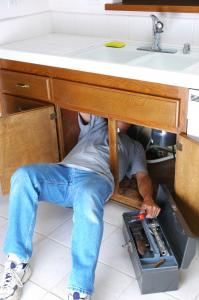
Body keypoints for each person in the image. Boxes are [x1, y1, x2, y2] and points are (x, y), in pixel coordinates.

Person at [0, 113, 160, 300]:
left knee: (87, 196)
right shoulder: (97, 123)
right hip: (63, 173)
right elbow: (84, 105)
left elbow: (142, 177)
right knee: (23, 176)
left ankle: (79, 290)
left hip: (96, 179)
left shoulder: (134, 146)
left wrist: (148, 197)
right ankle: (17, 263)